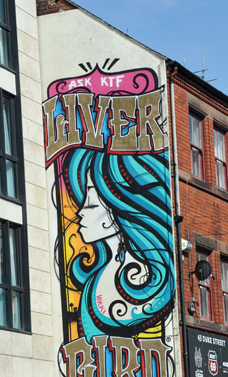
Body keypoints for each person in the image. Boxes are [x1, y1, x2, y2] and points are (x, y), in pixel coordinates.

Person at [59, 147, 175, 342]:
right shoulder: (93, 281)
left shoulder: (152, 285)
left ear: (114, 213)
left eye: (90, 204)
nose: (79, 212)